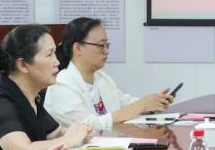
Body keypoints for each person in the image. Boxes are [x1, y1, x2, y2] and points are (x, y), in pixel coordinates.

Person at [0, 24, 92, 150]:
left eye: (55, 53)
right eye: (49, 55)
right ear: (23, 65)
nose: (57, 62)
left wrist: (80, 132)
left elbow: (56, 134)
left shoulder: (32, 97)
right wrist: (70, 139)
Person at [45, 16, 175, 131]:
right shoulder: (62, 84)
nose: (106, 51)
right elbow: (89, 126)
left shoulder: (102, 78)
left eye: (107, 45)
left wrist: (153, 104)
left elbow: (125, 103)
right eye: (101, 45)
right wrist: (142, 105)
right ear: (78, 48)